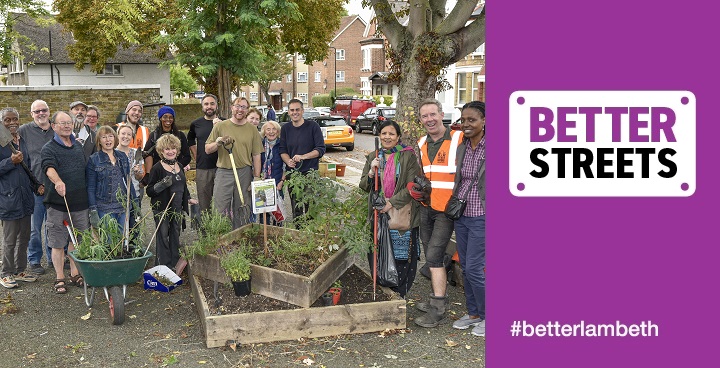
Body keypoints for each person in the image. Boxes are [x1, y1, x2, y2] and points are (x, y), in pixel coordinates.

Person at [412, 98, 464, 328]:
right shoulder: (422, 142)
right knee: (431, 254)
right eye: (425, 116)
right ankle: (437, 290)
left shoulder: (458, 138)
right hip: (427, 207)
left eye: (433, 114)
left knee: (433, 256)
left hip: (447, 210)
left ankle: (438, 306)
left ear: (442, 114)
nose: (429, 119)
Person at [359, 120, 421, 298]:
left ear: (398, 137)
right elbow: (363, 186)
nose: (387, 137)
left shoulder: (407, 156)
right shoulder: (373, 156)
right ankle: (383, 289)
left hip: (401, 211)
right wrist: (371, 172)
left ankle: (400, 292)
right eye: (384, 133)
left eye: (391, 134)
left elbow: (411, 186)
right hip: (378, 214)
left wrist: (390, 203)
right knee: (378, 252)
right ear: (379, 135)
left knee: (401, 255)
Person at [41, 111, 90, 294]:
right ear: (53, 126)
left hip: (80, 203)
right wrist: (58, 181)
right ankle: (59, 277)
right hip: (57, 203)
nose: (67, 126)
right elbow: (48, 167)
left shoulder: (77, 146)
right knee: (57, 242)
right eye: (62, 123)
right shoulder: (49, 148)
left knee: (76, 242)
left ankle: (75, 273)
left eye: (69, 123)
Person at [450, 101, 486, 337]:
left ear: (484, 121)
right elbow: (460, 178)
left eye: (472, 120)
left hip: (482, 216)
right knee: (464, 265)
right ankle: (473, 313)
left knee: (474, 267)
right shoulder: (463, 145)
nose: (466, 124)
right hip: (461, 214)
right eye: (463, 120)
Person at [205, 97, 263, 229]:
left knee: (242, 207)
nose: (240, 109)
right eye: (237, 106)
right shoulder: (220, 126)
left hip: (244, 172)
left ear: (247, 110)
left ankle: (241, 239)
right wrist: (218, 142)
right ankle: (222, 241)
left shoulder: (252, 129)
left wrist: (257, 176)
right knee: (220, 208)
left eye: (244, 107)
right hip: (224, 172)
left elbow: (256, 155)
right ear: (232, 107)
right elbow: (207, 149)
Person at [145, 134, 197, 270]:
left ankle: (174, 263)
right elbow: (149, 191)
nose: (170, 151)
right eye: (167, 149)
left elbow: (183, 186)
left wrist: (188, 198)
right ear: (161, 151)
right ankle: (163, 265)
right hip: (162, 208)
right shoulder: (157, 168)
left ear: (177, 150)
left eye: (173, 148)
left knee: (175, 234)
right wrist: (161, 184)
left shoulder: (179, 165)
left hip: (177, 207)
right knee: (163, 236)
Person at [0, 107, 38, 288]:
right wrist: (9, 162)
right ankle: (6, 273)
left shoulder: (21, 141)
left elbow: (27, 168)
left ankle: (20, 270)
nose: (12, 122)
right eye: (7, 120)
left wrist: (36, 185)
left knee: (24, 237)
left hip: (25, 197)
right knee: (9, 240)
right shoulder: (1, 142)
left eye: (15, 119)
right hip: (8, 198)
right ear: (2, 122)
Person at [19, 99, 54, 275]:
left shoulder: (56, 129)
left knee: (53, 226)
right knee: (34, 228)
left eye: (44, 110)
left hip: (54, 188)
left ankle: (52, 258)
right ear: (31, 114)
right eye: (37, 111)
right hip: (35, 188)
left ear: (49, 112)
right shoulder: (24, 131)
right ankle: (34, 259)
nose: (41, 113)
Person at [278, 99, 325, 222]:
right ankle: (298, 234)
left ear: (302, 111)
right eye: (292, 110)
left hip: (310, 173)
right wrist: (288, 161)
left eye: (297, 110)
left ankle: (311, 234)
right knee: (296, 207)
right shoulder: (285, 129)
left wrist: (303, 156)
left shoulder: (313, 126)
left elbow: (320, 149)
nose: (295, 112)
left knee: (311, 206)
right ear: (288, 112)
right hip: (293, 175)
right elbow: (282, 150)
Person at [86, 126, 134, 230]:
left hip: (123, 206)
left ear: (115, 138)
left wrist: (134, 202)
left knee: (122, 240)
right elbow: (90, 187)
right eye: (104, 137)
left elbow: (128, 181)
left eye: (110, 136)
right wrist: (93, 210)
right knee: (108, 241)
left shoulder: (122, 157)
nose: (108, 140)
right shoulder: (94, 159)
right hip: (104, 207)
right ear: (99, 141)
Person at [187, 94, 222, 221]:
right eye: (206, 104)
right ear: (202, 106)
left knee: (221, 204)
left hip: (222, 168)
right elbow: (190, 139)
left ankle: (222, 233)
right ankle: (205, 235)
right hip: (203, 168)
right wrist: (196, 153)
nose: (209, 106)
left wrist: (219, 126)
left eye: (212, 103)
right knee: (204, 204)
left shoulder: (224, 122)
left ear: (216, 105)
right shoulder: (196, 124)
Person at [115, 124, 145, 235]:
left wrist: (138, 172)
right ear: (118, 135)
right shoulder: (112, 153)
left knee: (134, 227)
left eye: (129, 134)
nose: (126, 136)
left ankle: (134, 250)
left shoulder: (136, 153)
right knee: (120, 228)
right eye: (123, 133)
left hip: (134, 195)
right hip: (118, 197)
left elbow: (140, 177)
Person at [143, 106, 192, 172]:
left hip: (176, 171)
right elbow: (148, 154)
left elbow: (187, 156)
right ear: (160, 118)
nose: (168, 119)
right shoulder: (154, 136)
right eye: (165, 117)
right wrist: (149, 173)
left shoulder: (180, 135)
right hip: (158, 172)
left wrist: (175, 166)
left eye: (170, 117)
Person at [259, 120, 285, 225]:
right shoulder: (259, 146)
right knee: (263, 213)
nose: (271, 132)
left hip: (277, 183)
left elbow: (286, 165)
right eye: (268, 129)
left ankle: (277, 235)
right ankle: (264, 235)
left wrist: (282, 181)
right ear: (264, 132)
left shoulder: (282, 145)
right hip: (263, 183)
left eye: (274, 129)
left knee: (278, 213)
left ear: (278, 132)